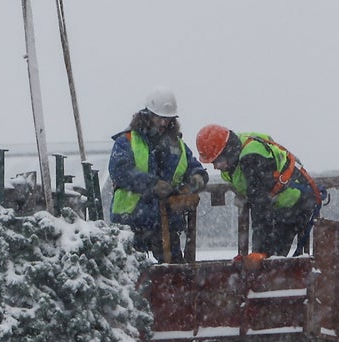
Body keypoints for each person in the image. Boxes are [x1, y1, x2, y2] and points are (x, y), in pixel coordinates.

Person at [108, 87, 208, 261]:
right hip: (131, 221)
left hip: (167, 223)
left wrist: (195, 182)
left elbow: (195, 169)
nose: (163, 123)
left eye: (167, 119)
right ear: (147, 115)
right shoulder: (127, 141)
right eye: (159, 118)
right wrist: (152, 185)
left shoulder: (178, 146)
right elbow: (120, 170)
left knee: (175, 275)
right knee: (132, 274)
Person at [194, 124, 321, 257]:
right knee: (269, 259)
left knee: (273, 260)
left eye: (217, 161)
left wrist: (258, 252)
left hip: (296, 202)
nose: (215, 167)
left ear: (227, 151)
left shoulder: (252, 159)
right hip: (280, 203)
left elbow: (260, 206)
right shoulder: (237, 150)